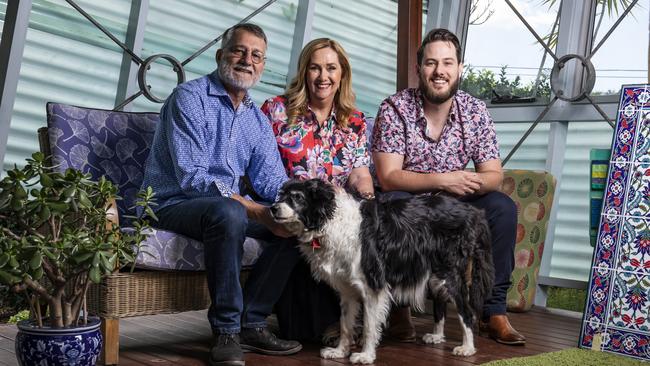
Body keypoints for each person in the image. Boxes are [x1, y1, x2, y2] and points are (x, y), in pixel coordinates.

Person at [141, 23, 303, 366]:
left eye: (256, 55)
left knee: (296, 226)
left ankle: (252, 323)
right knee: (229, 213)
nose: (247, 60)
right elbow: (192, 178)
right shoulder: (189, 98)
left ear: (262, 65)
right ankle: (226, 330)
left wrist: (297, 205)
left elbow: (272, 180)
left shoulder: (256, 121)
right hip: (172, 203)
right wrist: (250, 209)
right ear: (220, 55)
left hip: (220, 206)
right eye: (239, 51)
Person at [371, 28, 526, 346]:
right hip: (410, 199)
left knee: (502, 208)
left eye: (447, 63)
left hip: (456, 202)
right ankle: (399, 310)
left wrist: (471, 182)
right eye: (430, 63)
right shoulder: (394, 109)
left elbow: (494, 174)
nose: (439, 71)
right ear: (419, 69)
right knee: (394, 205)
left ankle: (493, 311)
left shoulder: (476, 112)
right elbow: (388, 176)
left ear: (459, 68)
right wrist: (444, 179)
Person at [260, 38, 376, 344]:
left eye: (330, 68)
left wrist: (367, 199)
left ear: (342, 74)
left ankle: (354, 322)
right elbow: (260, 168)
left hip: (336, 216)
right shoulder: (276, 111)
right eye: (315, 68)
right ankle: (327, 325)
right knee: (305, 237)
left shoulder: (355, 120)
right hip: (293, 212)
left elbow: (360, 172)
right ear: (304, 72)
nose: (323, 76)